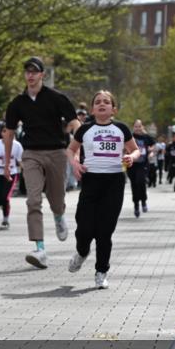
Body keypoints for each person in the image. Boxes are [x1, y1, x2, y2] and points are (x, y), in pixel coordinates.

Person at [2, 57, 80, 269]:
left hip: (56, 152)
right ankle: (39, 248)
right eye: (27, 71)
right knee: (33, 200)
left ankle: (59, 216)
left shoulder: (56, 98)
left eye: (34, 71)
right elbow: (9, 133)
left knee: (56, 198)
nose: (30, 75)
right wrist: (8, 162)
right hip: (31, 153)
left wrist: (77, 149)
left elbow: (74, 122)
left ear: (42, 75)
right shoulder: (17, 103)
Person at [66, 91, 140, 290]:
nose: (102, 104)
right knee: (84, 227)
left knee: (104, 231)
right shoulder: (85, 129)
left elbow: (135, 149)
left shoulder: (121, 128)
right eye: (97, 102)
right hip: (91, 180)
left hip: (114, 182)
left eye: (106, 102)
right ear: (92, 109)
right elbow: (71, 150)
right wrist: (74, 165)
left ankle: (101, 272)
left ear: (113, 109)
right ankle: (82, 252)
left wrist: (131, 157)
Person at [0, 121, 23, 230]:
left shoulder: (17, 145)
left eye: (9, 131)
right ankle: (2, 205)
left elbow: (21, 161)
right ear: (1, 132)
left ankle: (5, 221)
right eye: (4, 131)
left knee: (6, 198)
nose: (6, 133)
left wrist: (28, 171)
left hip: (11, 174)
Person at [128, 119, 156, 216]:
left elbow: (153, 146)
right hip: (132, 164)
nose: (138, 128)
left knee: (141, 181)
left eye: (139, 126)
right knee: (134, 184)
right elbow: (123, 146)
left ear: (142, 127)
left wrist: (151, 151)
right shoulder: (130, 137)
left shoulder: (146, 137)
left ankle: (143, 201)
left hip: (143, 164)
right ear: (133, 127)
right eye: (136, 126)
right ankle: (136, 205)